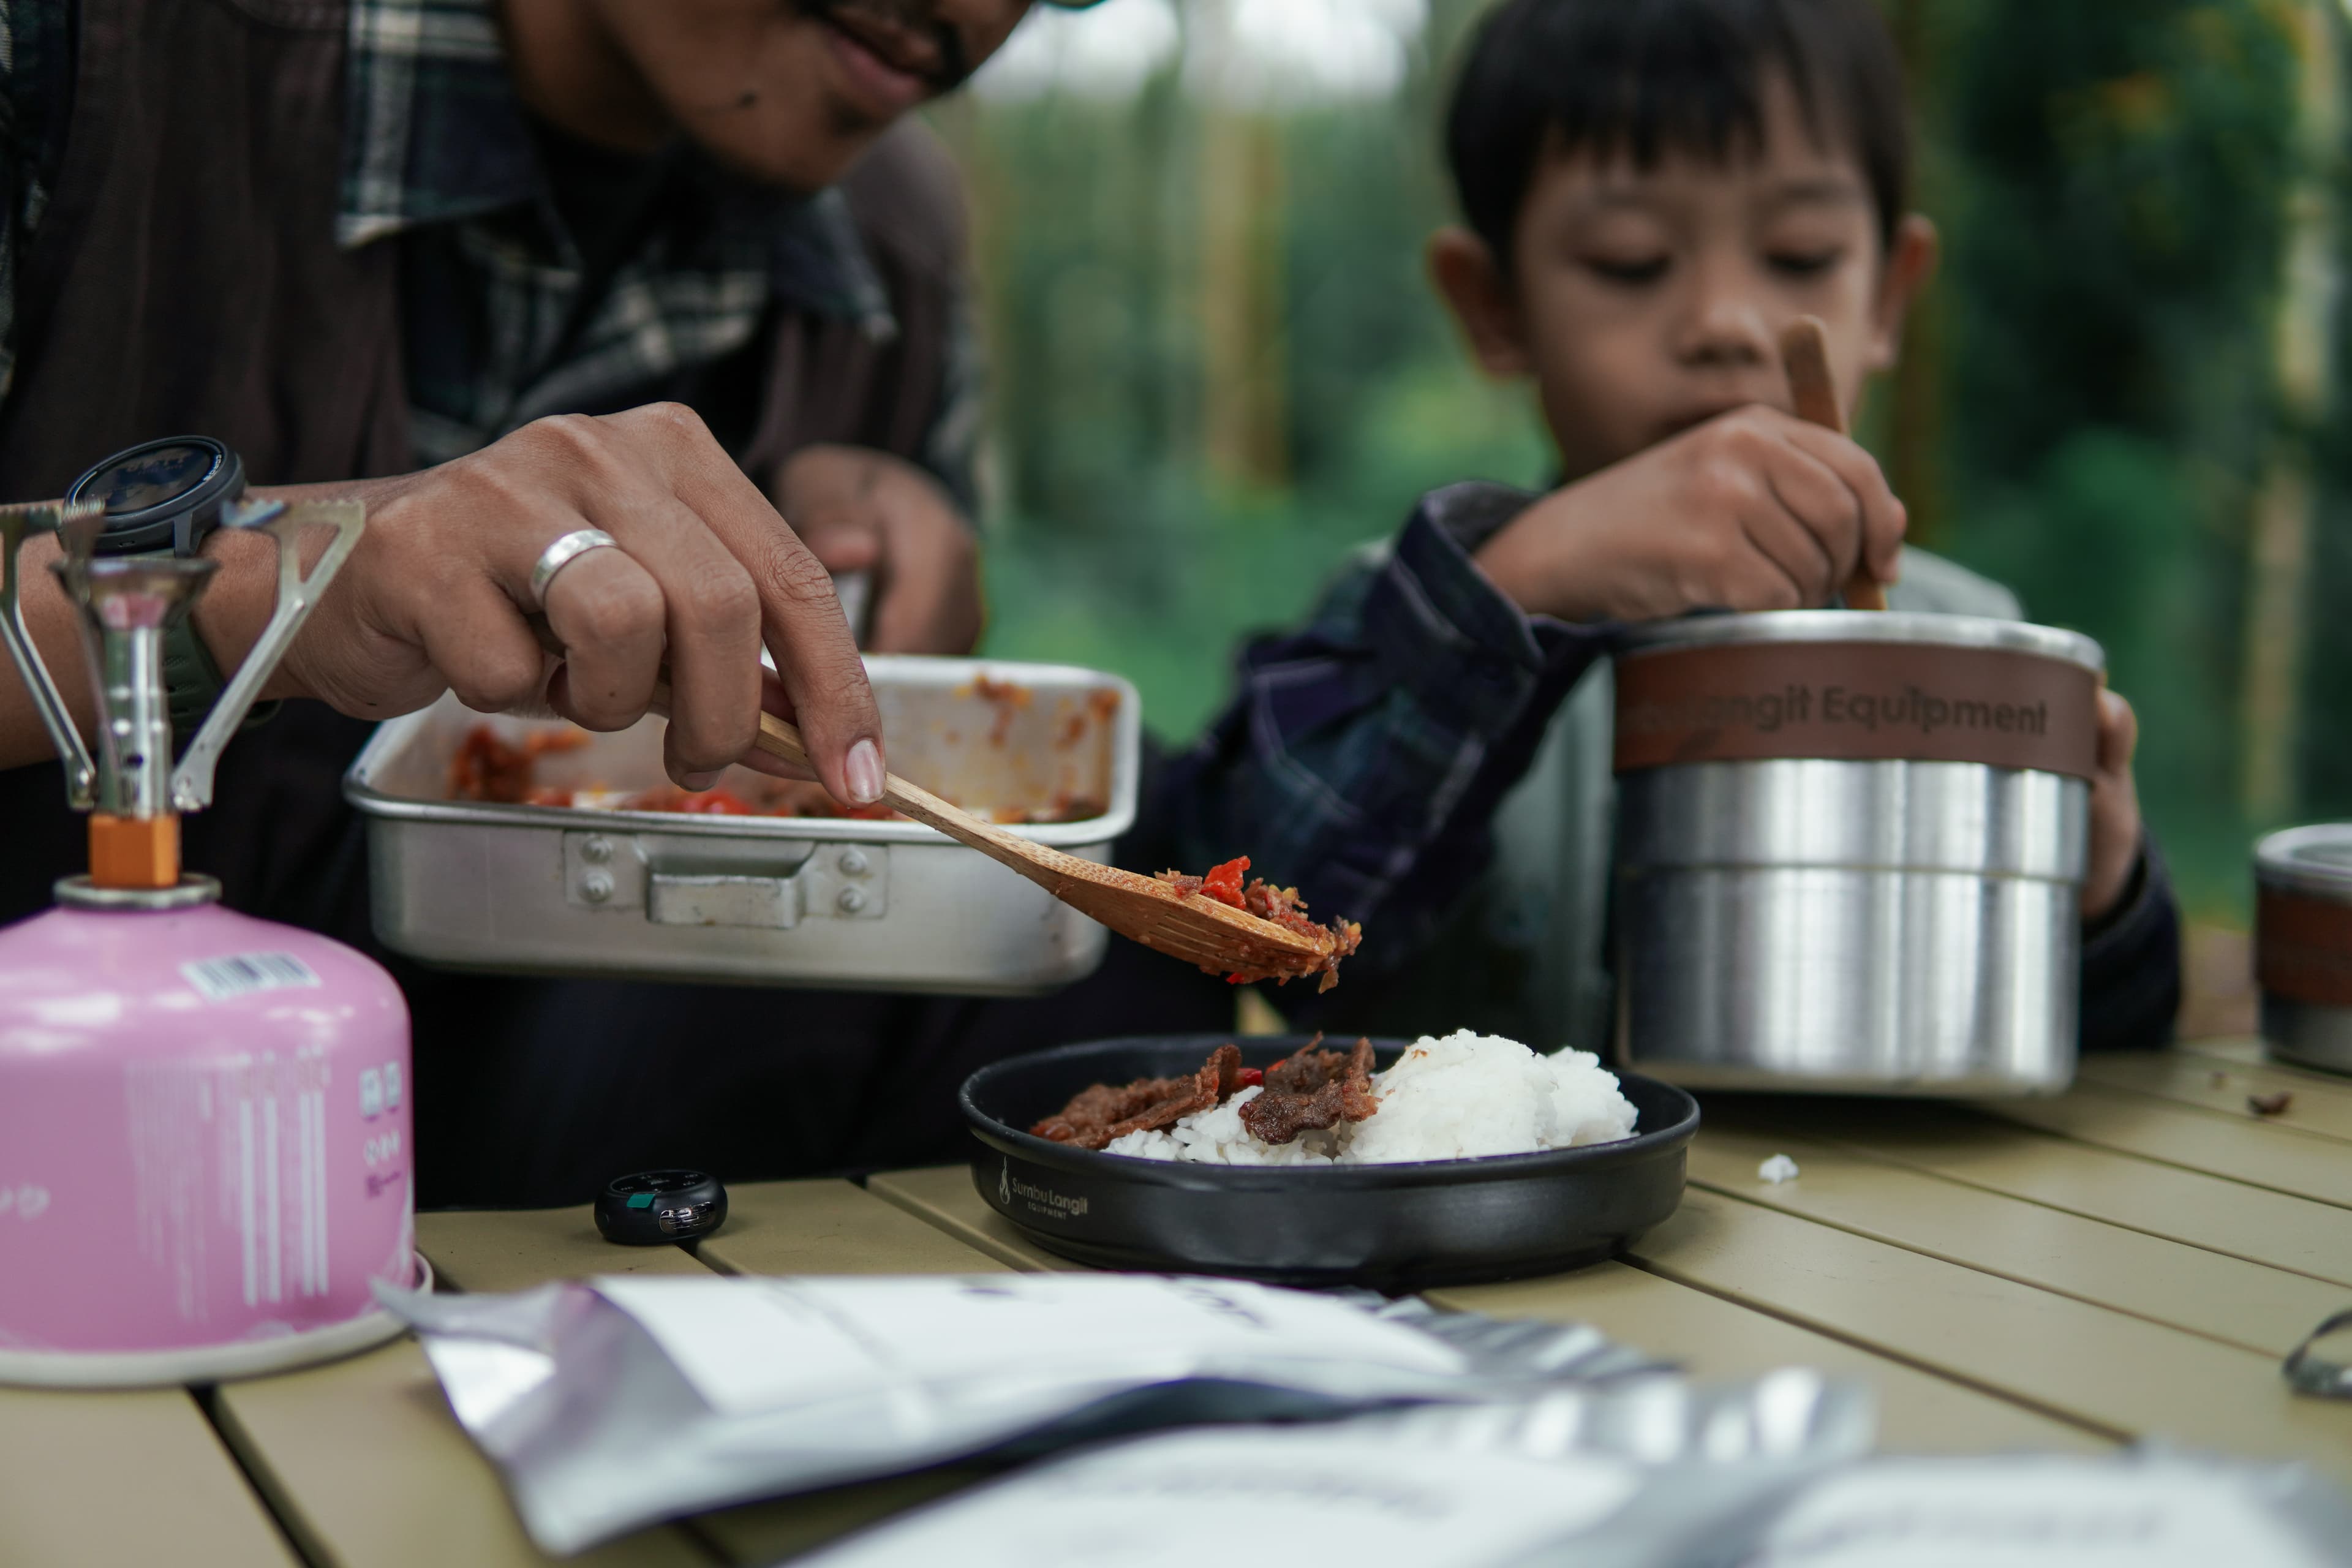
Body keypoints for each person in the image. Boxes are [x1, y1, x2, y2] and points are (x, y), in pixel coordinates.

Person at [0, 0, 1253, 1205]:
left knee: (1106, 923)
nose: (971, 11)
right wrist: (287, 583)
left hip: (557, 1173)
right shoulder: (88, 56)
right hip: (60, 1149)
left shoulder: (896, 237)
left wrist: (876, 514)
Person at [1163, 0, 2180, 1053]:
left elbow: (2114, 1043)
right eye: (1630, 261)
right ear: (1492, 306)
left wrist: (2095, 892)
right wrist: (1518, 587)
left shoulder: (1970, 651)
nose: (1727, 324)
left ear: (1889, 296)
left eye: (1799, 253)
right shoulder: (1411, 623)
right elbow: (1240, 936)